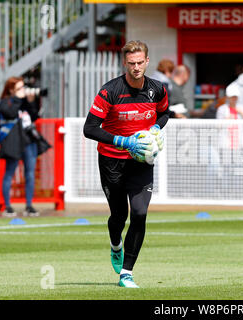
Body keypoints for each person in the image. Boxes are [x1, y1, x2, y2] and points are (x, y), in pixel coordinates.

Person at [83, 40, 170, 288]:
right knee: (119, 216)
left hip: (141, 160)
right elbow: (89, 128)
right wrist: (122, 141)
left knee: (140, 214)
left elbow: (165, 113)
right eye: (131, 63)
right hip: (112, 161)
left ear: (147, 61)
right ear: (125, 63)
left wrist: (155, 127)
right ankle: (115, 244)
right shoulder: (109, 91)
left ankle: (127, 273)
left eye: (140, 63)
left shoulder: (158, 89)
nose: (136, 67)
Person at [0, 76, 42, 218]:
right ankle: (7, 206)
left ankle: (29, 205)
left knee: (29, 174)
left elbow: (34, 116)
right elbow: (9, 112)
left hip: (28, 142)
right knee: (9, 173)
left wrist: (32, 101)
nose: (23, 91)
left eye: (23, 87)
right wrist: (18, 98)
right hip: (13, 142)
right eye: (19, 88)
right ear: (11, 90)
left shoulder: (24, 102)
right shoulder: (5, 102)